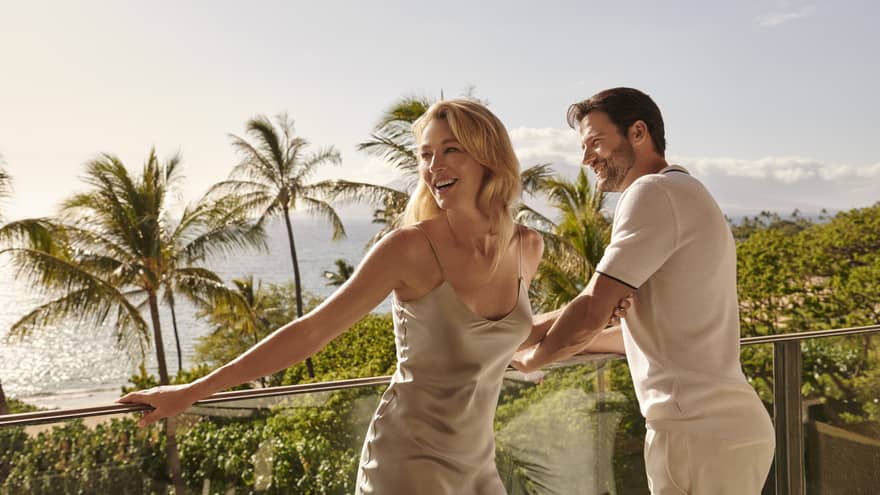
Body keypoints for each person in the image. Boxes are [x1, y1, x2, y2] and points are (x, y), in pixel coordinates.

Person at [118, 99, 628, 494]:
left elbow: (507, 339)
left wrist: (608, 319)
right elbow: (311, 331)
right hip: (408, 464)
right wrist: (190, 392)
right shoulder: (408, 249)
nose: (434, 166)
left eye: (450, 149)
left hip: (478, 466)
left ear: (488, 157)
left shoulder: (526, 248)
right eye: (426, 154)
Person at [512, 87, 775, 494]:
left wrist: (533, 359)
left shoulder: (653, 193)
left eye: (596, 143)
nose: (586, 160)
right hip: (714, 429)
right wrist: (520, 334)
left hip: (697, 433)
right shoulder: (683, 191)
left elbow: (592, 306)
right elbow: (630, 334)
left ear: (638, 132)